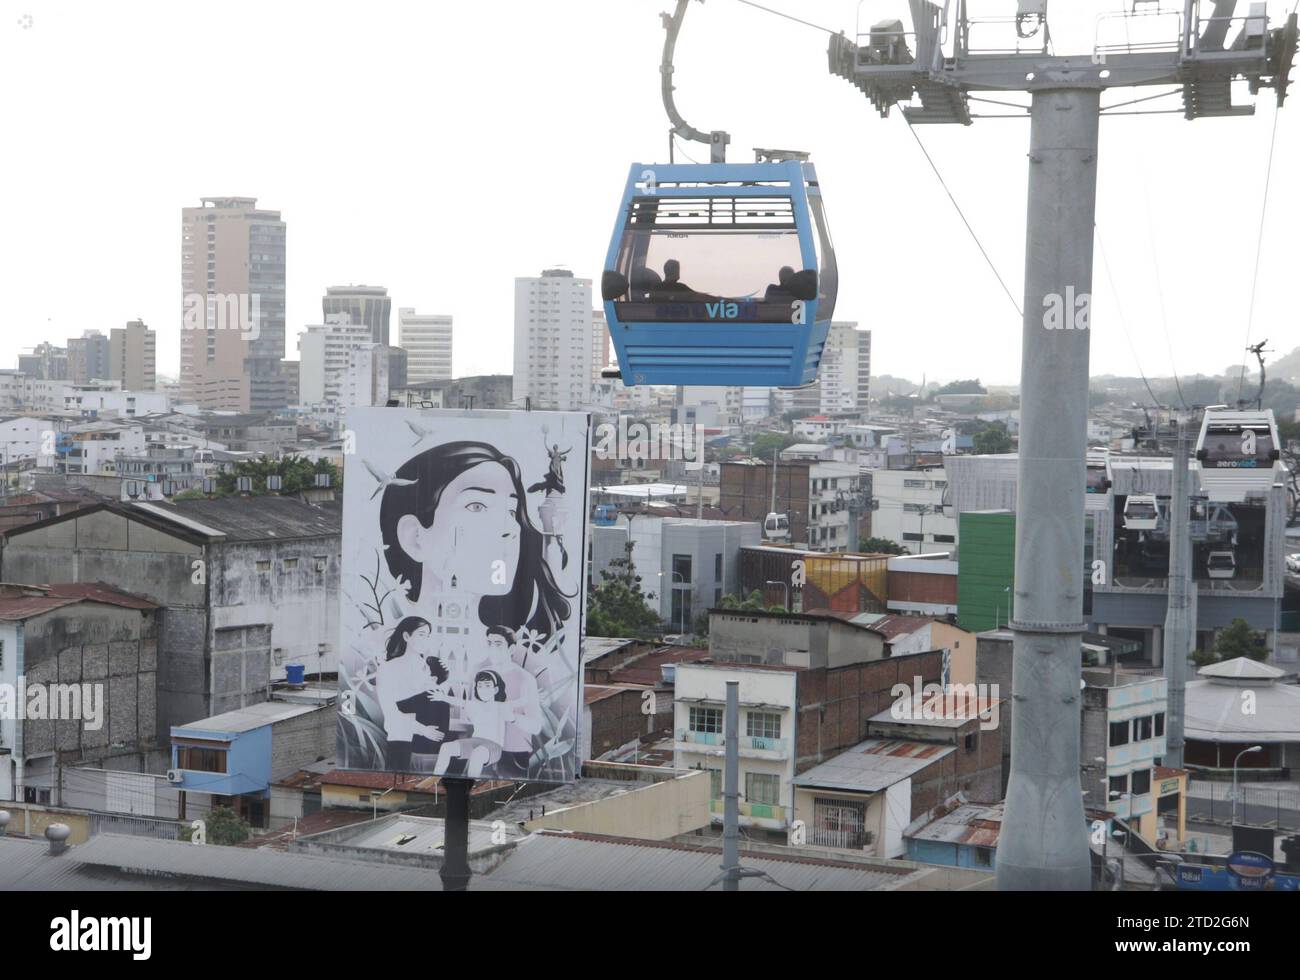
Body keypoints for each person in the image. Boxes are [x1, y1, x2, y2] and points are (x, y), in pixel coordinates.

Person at [379, 441, 572, 641]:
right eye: (477, 506)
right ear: (415, 537)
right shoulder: (376, 646)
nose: (511, 529)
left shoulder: (514, 655)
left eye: (511, 511)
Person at [374, 616, 450, 771]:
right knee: (398, 788)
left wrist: (444, 677)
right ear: (406, 636)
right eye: (421, 634)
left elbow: (435, 702)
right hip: (401, 740)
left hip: (428, 747)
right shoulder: (388, 668)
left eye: (428, 636)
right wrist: (423, 729)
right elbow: (390, 711)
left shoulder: (428, 668)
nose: (426, 640)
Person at [470, 625, 544, 777]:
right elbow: (473, 713)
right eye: (489, 644)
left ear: (511, 649)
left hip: (513, 752)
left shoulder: (525, 679)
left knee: (509, 798)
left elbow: (536, 726)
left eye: (498, 644)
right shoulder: (481, 675)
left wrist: (512, 718)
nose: (492, 649)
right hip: (484, 749)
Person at [430, 670, 515, 778]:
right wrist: (442, 697)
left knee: (477, 753)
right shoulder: (474, 705)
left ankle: (468, 784)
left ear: (495, 689)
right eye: (480, 686)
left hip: (494, 746)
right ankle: (435, 779)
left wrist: (509, 711)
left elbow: (513, 718)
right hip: (474, 741)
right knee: (446, 747)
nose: (483, 689)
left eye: (487, 685)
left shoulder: (501, 706)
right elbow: (459, 701)